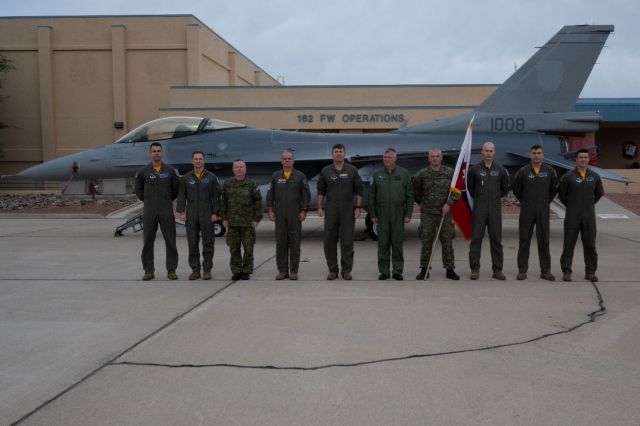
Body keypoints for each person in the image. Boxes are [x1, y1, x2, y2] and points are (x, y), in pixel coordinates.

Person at [317, 143, 364, 280]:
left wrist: (358, 207)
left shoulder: (352, 170)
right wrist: (320, 207)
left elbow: (359, 191)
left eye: (341, 151)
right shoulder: (326, 170)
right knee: (329, 241)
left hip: (348, 210)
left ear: (344, 154)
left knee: (347, 241)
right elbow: (321, 191)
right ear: (332, 154)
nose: (338, 153)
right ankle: (333, 270)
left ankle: (346, 271)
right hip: (331, 210)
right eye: (336, 151)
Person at [134, 142, 180, 281]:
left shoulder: (170, 170)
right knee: (148, 240)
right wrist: (149, 200)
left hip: (166, 209)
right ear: (150, 153)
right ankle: (148, 270)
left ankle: (171, 270)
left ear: (162, 153)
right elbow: (138, 190)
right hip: (149, 210)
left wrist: (166, 200)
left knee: (170, 240)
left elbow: (175, 189)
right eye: (154, 151)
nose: (156, 153)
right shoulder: (143, 171)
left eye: (159, 151)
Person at [413, 148, 460, 280]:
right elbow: (416, 192)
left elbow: (457, 191)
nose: (435, 158)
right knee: (426, 241)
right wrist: (423, 204)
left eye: (437, 156)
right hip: (427, 214)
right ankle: (424, 269)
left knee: (447, 241)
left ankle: (450, 269)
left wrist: (449, 203)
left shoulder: (449, 173)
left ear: (441, 158)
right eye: (432, 156)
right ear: (429, 158)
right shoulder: (421, 174)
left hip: (444, 213)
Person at [512, 145, 558, 281]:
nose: (536, 155)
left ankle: (545, 271)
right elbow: (516, 188)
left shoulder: (549, 171)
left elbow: (554, 189)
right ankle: (522, 270)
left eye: (539, 153)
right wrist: (526, 201)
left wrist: (544, 201)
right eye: (534, 153)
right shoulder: (523, 171)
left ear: (543, 155)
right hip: (527, 210)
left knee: (544, 240)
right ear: (530, 155)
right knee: (524, 239)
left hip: (543, 210)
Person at [558, 148, 604, 282]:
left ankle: (590, 271)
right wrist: (572, 205)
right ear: (576, 159)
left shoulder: (595, 176)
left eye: (585, 157)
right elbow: (562, 194)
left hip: (589, 215)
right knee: (569, 243)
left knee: (590, 244)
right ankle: (566, 271)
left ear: (588, 159)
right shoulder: (568, 176)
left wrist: (588, 204)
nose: (583, 159)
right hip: (572, 214)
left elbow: (599, 193)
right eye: (580, 157)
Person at [467, 141, 510, 280]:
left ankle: (497, 270)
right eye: (486, 151)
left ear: (494, 152)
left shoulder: (501, 170)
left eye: (491, 151)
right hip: (479, 209)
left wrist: (494, 197)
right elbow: (470, 188)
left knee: (496, 239)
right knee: (476, 239)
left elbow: (505, 188)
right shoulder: (474, 169)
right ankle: (475, 269)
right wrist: (481, 197)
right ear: (482, 152)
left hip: (494, 210)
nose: (488, 154)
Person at [368, 148, 413, 280]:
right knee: (383, 244)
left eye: (389, 157)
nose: (386, 160)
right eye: (385, 157)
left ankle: (397, 270)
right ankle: (384, 271)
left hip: (398, 213)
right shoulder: (377, 174)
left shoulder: (403, 173)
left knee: (397, 243)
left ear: (395, 159)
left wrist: (408, 214)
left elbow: (410, 195)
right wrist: (373, 214)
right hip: (382, 214)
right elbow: (371, 196)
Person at [266, 150, 311, 280]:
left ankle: (294, 271)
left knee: (295, 243)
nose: (287, 160)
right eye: (284, 159)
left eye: (289, 158)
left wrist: (304, 210)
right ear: (281, 161)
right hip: (279, 214)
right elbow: (270, 194)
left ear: (293, 161)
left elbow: (306, 194)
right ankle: (282, 270)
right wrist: (270, 210)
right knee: (281, 242)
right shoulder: (275, 176)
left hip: (295, 214)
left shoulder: (300, 176)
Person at [176, 151, 221, 281]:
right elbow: (181, 195)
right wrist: (182, 212)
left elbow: (216, 197)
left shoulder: (211, 177)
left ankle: (207, 270)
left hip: (207, 213)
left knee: (208, 243)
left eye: (200, 159)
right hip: (191, 213)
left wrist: (216, 213)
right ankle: (195, 270)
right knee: (192, 243)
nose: (198, 161)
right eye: (196, 159)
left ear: (204, 161)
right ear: (192, 161)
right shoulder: (186, 178)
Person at [220, 159, 263, 280]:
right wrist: (223, 218)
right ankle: (236, 270)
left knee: (248, 248)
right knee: (234, 248)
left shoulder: (252, 184)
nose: (239, 169)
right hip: (232, 223)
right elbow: (223, 202)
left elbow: (258, 202)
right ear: (233, 169)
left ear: (245, 169)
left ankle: (247, 270)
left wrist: (256, 219)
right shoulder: (227, 184)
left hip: (248, 223)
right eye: (236, 167)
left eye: (241, 167)